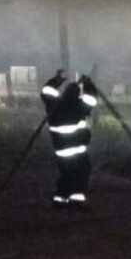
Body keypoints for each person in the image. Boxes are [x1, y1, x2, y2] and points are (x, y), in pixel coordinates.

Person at [40, 70, 98, 211]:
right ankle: (76, 201)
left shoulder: (54, 106)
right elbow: (91, 100)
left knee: (66, 176)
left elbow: (46, 92)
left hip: (60, 151)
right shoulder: (77, 107)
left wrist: (57, 80)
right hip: (77, 152)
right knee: (81, 174)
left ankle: (59, 200)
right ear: (77, 95)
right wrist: (88, 85)